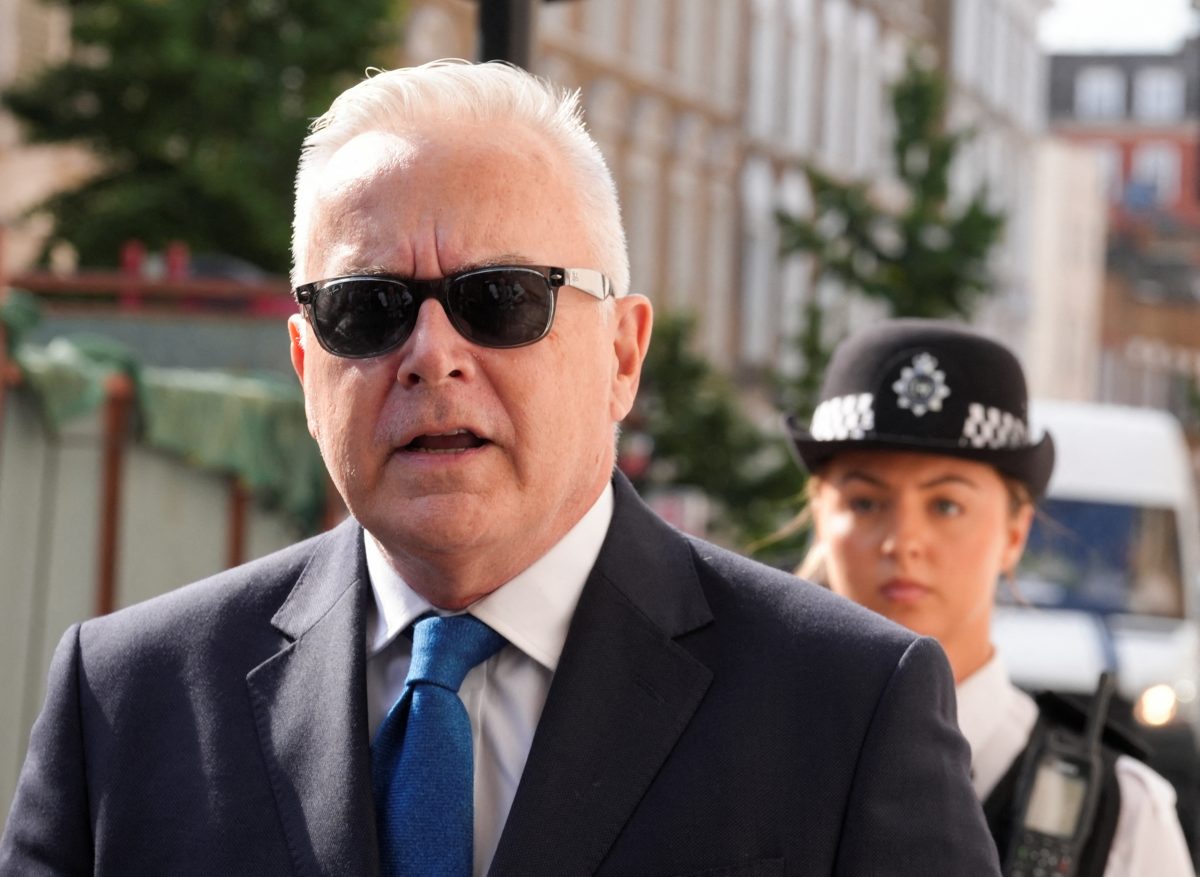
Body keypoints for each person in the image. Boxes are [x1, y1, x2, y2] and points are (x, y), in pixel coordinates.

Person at [1, 61, 1000, 876]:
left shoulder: (847, 708)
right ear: (307, 368)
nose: (432, 353)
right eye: (368, 308)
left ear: (622, 352)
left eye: (501, 298)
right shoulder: (130, 702)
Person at [787, 317, 1195, 876]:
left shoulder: (1120, 817)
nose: (903, 542)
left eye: (946, 505)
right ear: (819, 517)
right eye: (864, 501)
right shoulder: (741, 755)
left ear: (1015, 533)